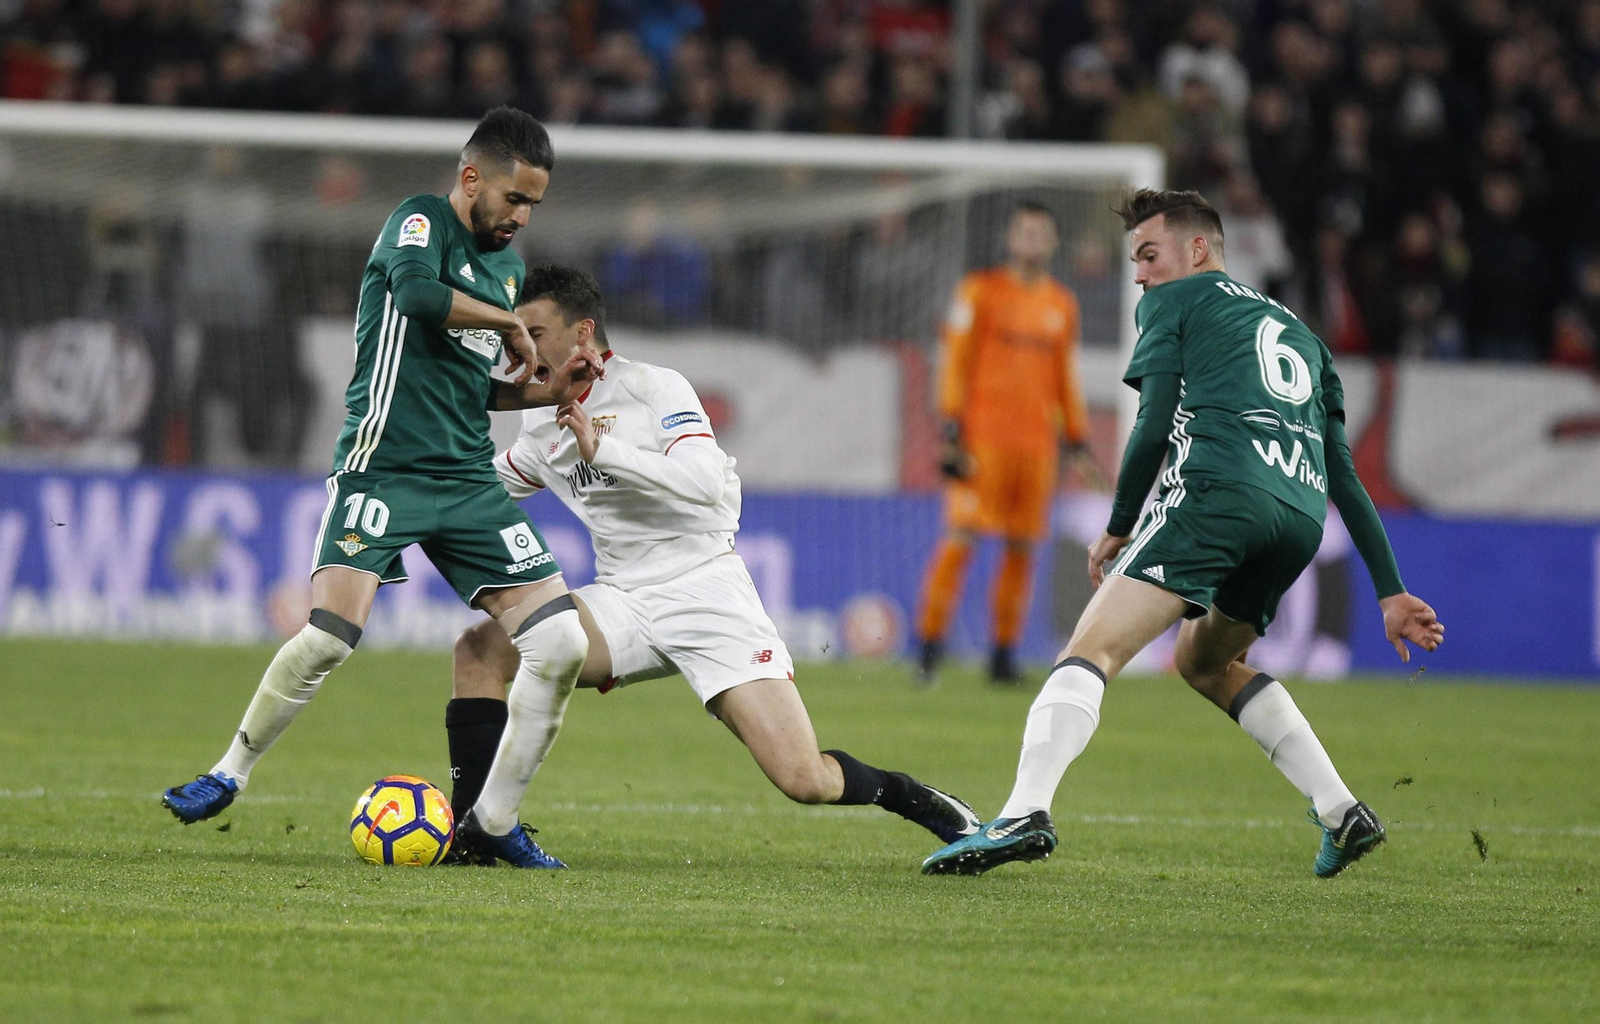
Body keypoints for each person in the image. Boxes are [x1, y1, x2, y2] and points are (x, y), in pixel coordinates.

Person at [922, 189, 1444, 878]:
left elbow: (1152, 418)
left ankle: (1024, 811)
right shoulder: (1305, 338)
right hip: (1297, 515)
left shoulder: (1175, 301)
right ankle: (1342, 810)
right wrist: (1390, 591)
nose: (1139, 274)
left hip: (1216, 497)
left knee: (1091, 650)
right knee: (1205, 663)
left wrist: (1118, 525)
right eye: (1134, 260)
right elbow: (1342, 472)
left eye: (1149, 255)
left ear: (1197, 250)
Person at [161, 107, 605, 870]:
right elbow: (416, 295)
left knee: (561, 640)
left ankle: (494, 821)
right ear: (472, 179)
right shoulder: (420, 222)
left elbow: (473, 391)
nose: (522, 216)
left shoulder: (503, 270)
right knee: (331, 636)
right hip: (383, 470)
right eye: (513, 198)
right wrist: (508, 324)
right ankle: (226, 772)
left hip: (466, 480)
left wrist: (545, 393)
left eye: (535, 203)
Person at [442, 264, 983, 864]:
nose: (522, 347)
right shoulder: (540, 418)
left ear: (582, 332)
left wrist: (608, 451)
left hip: (708, 593)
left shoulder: (654, 388)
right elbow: (490, 485)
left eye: (535, 332)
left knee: (805, 779)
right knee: (480, 651)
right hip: (623, 599)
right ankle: (475, 834)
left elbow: (706, 483)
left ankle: (918, 798)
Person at [915, 201, 1105, 686]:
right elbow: (955, 361)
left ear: (1053, 242)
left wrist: (1077, 438)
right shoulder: (979, 292)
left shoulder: (1061, 304)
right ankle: (928, 652)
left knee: (1021, 550)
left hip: (1036, 447)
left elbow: (1065, 377)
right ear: (1010, 238)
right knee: (960, 541)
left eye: (1041, 233)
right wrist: (951, 427)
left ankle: (1001, 657)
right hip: (981, 443)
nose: (1032, 241)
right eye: (1025, 231)